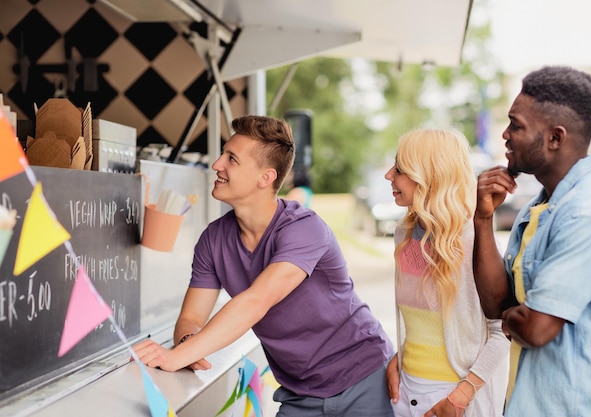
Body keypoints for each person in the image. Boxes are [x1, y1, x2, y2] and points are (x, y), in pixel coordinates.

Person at [132, 115, 395, 417]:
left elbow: (256, 302)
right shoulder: (213, 239)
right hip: (300, 394)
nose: (217, 164)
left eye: (231, 159)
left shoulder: (304, 228)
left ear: (265, 177)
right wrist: (189, 346)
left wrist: (176, 356)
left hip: (364, 380)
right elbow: (191, 317)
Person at [473, 65, 591, 416]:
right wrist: (483, 219)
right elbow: (497, 307)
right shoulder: (538, 208)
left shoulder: (588, 213)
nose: (505, 135)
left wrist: (519, 318)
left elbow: (537, 329)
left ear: (555, 138)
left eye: (516, 125)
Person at [385, 128, 510, 417]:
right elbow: (424, 323)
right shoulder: (403, 234)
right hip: (404, 393)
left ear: (429, 174)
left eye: (401, 168)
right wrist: (400, 356)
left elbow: (503, 331)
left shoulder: (473, 240)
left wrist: (459, 398)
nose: (389, 175)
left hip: (454, 399)